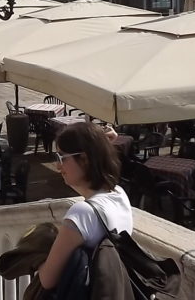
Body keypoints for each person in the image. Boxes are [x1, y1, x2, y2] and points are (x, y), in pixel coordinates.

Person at [37, 122, 133, 292]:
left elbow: (47, 280)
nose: (58, 166)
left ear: (85, 159)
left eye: (62, 157)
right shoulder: (119, 194)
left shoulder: (82, 213)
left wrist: (34, 257)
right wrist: (101, 143)